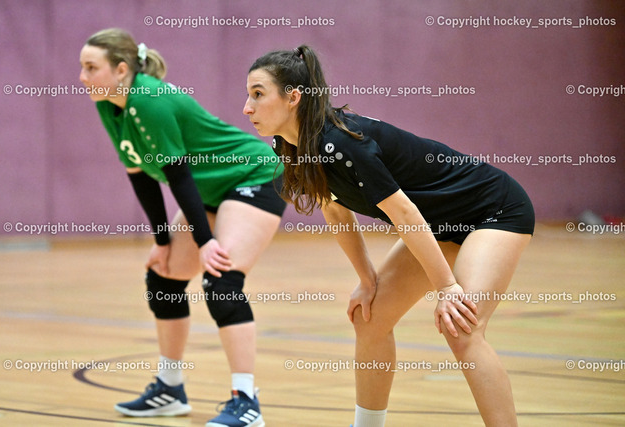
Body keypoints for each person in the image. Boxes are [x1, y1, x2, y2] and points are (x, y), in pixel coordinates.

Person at [243, 45, 534, 427]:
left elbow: (405, 214)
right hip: (436, 224)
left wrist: (447, 288)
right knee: (369, 318)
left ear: (293, 97)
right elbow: (335, 210)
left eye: (258, 94)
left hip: (492, 210)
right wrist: (367, 280)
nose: (247, 108)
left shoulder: (342, 143)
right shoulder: (293, 147)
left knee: (462, 328)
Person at [79, 28, 285, 427]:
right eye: (82, 67)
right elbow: (140, 174)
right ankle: (170, 388)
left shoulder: (149, 100)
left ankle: (246, 401)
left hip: (253, 175)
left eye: (91, 67)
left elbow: (178, 175)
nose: (82, 77)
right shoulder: (109, 103)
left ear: (120, 70)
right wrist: (162, 241)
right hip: (208, 190)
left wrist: (205, 242)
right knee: (163, 274)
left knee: (221, 278)